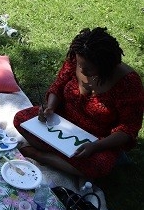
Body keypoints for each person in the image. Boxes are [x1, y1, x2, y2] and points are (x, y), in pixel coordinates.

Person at [13, 27, 144, 180]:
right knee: (21, 119)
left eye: (87, 68)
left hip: (98, 139)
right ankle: (67, 159)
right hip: (62, 121)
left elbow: (128, 128)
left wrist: (96, 146)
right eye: (79, 64)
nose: (81, 69)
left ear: (104, 65)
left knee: (99, 166)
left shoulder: (128, 83)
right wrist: (50, 107)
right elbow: (59, 85)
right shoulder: (78, 57)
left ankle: (41, 156)